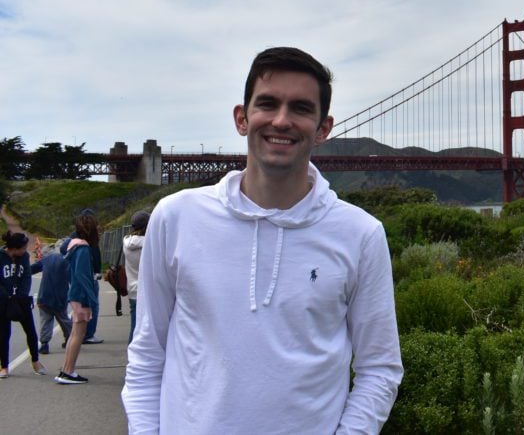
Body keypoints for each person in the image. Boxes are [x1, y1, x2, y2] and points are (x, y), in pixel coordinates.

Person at [123, 47, 403, 433]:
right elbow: (147, 354)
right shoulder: (176, 217)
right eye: (268, 104)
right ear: (242, 118)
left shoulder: (361, 234)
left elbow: (379, 369)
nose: (282, 120)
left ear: (323, 128)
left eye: (301, 108)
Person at [54, 213, 100, 384]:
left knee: (75, 334)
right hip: (81, 296)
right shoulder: (83, 249)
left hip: (75, 294)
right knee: (78, 335)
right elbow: (82, 275)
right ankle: (68, 371)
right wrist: (92, 299)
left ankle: (66, 369)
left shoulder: (74, 246)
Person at [1, 230, 46, 378]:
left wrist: (20, 295)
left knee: (30, 331)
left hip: (21, 300)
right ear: (15, 248)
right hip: (3, 301)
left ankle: (35, 361)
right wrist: (6, 295)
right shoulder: (1, 257)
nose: (26, 250)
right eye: (24, 248)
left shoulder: (24, 257)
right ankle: (4, 366)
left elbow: (26, 277)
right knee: (4, 334)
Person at [60, 208, 103, 344]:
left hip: (74, 281)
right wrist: (97, 271)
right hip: (87, 279)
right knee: (91, 308)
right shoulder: (85, 244)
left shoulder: (73, 238)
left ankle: (77, 335)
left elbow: (63, 250)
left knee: (76, 325)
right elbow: (93, 258)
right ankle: (88, 334)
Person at [30, 245, 72, 354]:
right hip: (60, 297)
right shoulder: (67, 260)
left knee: (45, 321)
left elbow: (31, 269)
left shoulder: (46, 259)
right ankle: (70, 339)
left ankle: (44, 344)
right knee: (64, 320)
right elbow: (73, 278)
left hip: (44, 296)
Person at [123, 210, 148, 343]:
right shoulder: (150, 243)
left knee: (135, 326)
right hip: (148, 290)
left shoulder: (126, 242)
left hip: (133, 290)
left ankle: (132, 351)